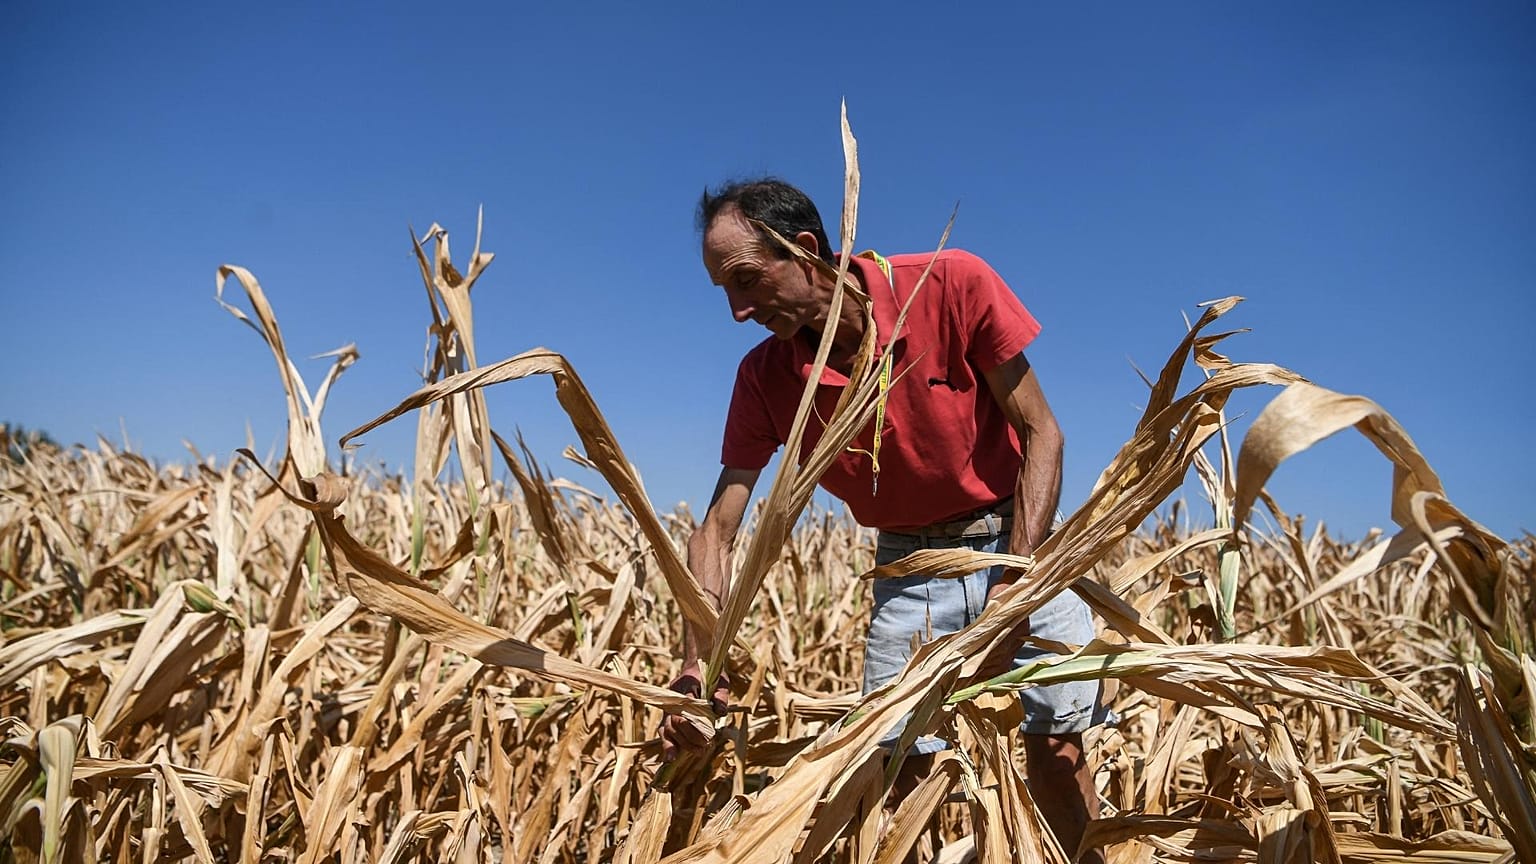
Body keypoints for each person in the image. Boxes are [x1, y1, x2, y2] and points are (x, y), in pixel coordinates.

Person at [661, 177, 1108, 860]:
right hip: (910, 572)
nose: (738, 311)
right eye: (724, 290)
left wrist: (1017, 589)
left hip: (1016, 547)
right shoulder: (765, 379)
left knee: (1058, 750)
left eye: (746, 281)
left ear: (804, 250)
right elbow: (717, 531)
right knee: (898, 774)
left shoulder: (950, 285)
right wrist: (700, 666)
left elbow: (1042, 432)